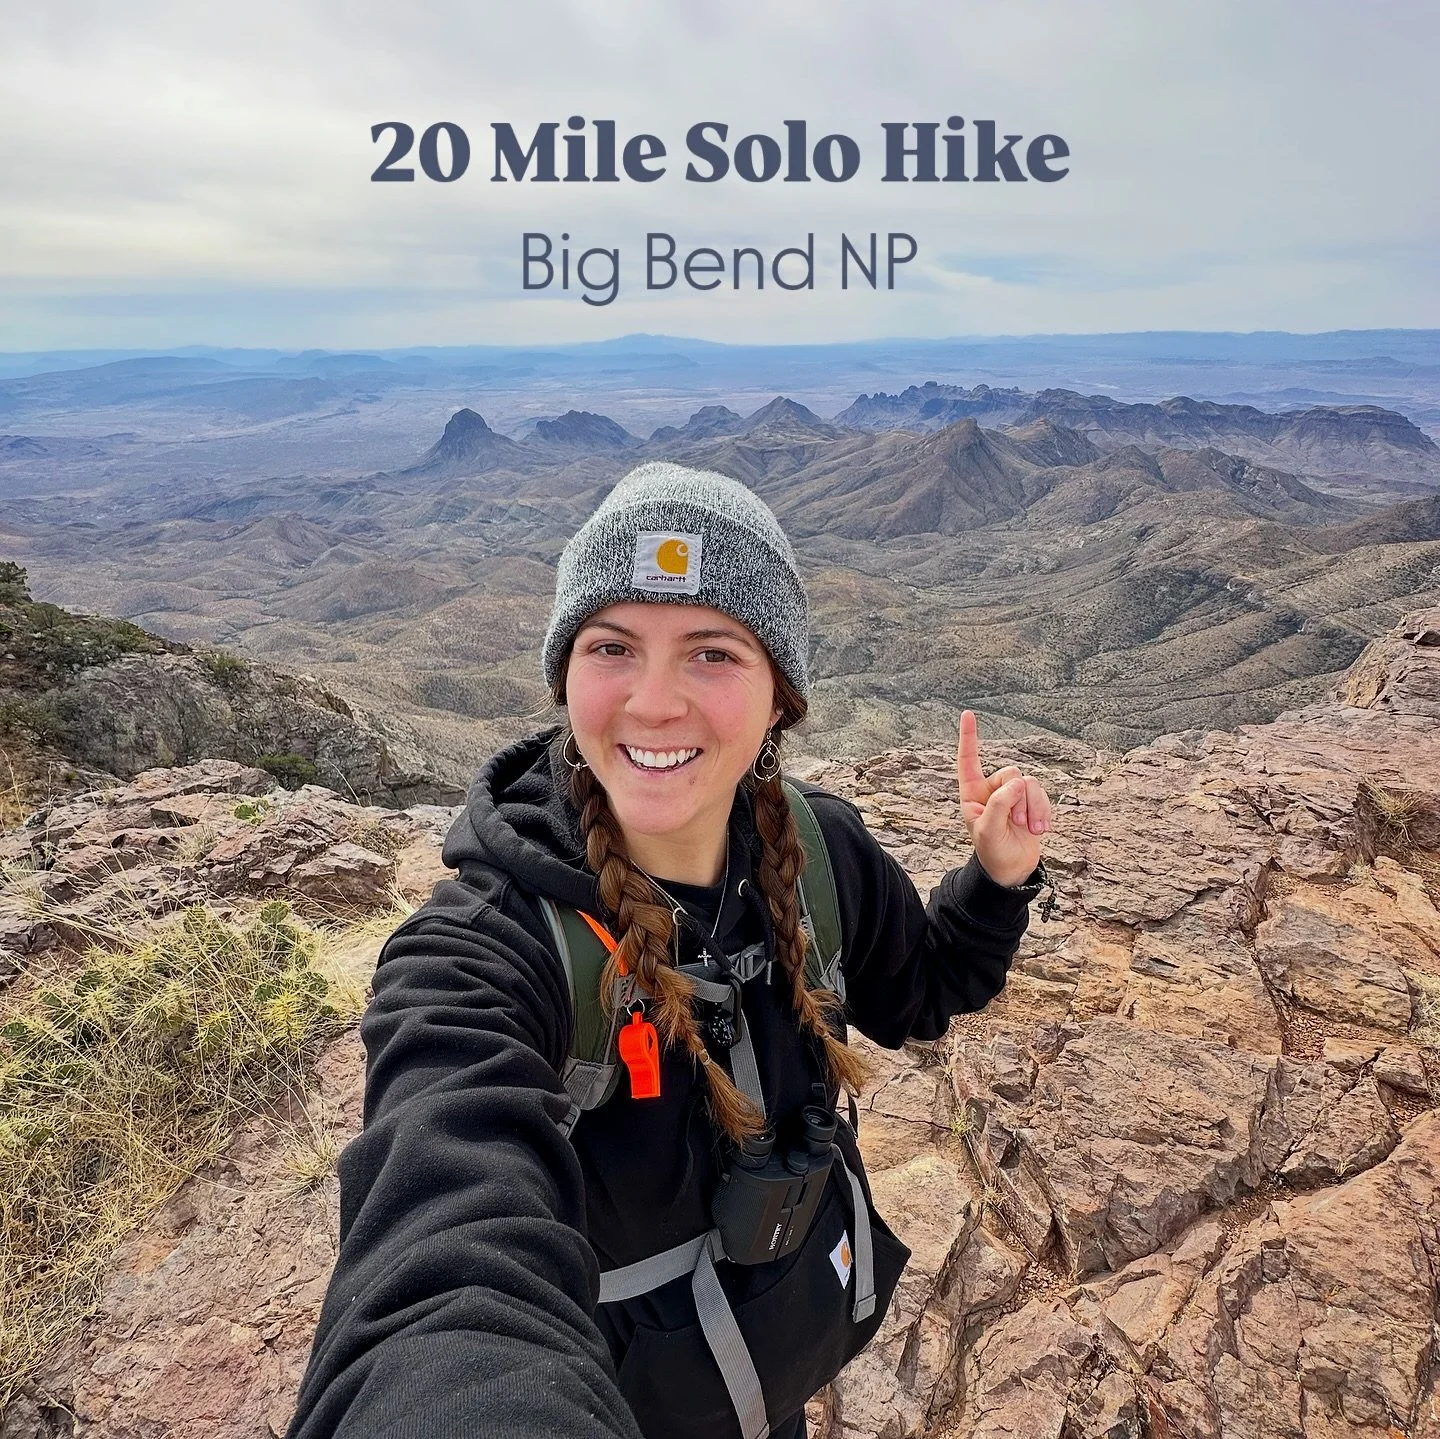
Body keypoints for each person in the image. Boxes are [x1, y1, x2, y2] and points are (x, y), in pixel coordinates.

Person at [284, 462, 1052, 1439]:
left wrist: (995, 877)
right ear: (566, 674)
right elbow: (438, 1274)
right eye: (613, 646)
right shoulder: (481, 954)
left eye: (712, 653)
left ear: (782, 697)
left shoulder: (821, 852)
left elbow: (926, 988)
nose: (653, 701)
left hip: (767, 1372)